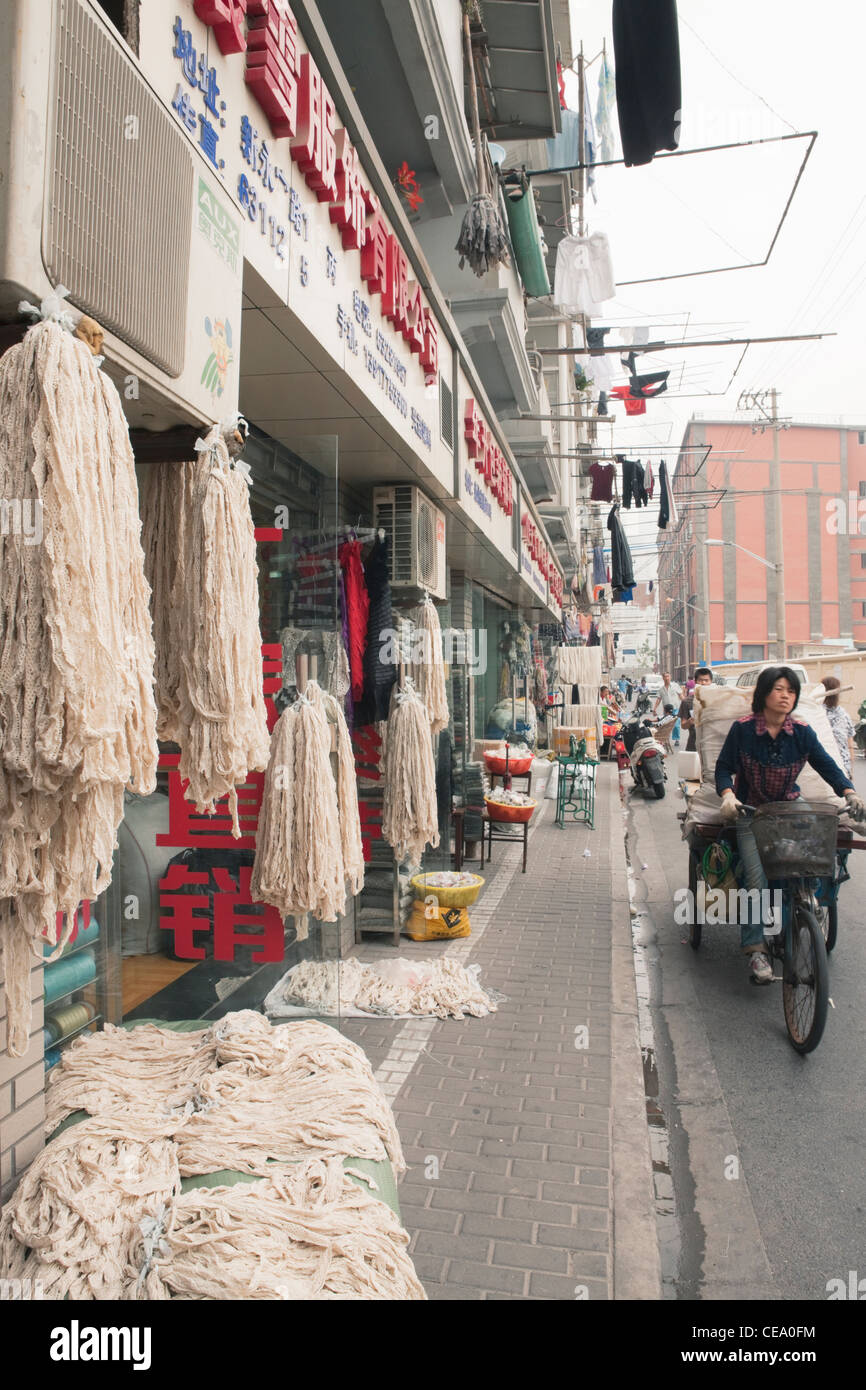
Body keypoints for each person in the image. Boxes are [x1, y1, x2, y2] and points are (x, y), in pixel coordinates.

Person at [715, 667, 864, 985]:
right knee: (756, 881)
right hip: (750, 811)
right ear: (764, 694)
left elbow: (827, 766)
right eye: (779, 689)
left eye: (791, 691)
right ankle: (756, 950)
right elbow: (724, 768)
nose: (786, 695)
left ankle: (805, 904)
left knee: (813, 853)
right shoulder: (742, 730)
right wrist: (727, 795)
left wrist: (849, 791)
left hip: (788, 807)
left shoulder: (802, 732)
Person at [821, 676, 856, 777]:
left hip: (822, 766)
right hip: (843, 765)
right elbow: (850, 746)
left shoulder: (817, 713)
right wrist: (850, 771)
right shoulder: (844, 714)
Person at [678, 667, 713, 753]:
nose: (703, 683)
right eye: (700, 680)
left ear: (711, 682)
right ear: (695, 682)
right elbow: (683, 726)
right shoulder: (687, 702)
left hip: (712, 746)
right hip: (693, 745)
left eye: (706, 680)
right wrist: (689, 722)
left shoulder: (717, 700)